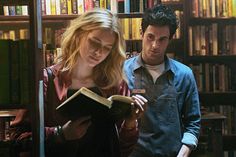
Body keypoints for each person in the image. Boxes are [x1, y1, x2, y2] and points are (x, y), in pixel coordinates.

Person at [10, 9, 147, 157]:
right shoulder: (46, 81)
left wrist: (130, 123)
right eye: (94, 42)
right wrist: (60, 133)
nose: (99, 52)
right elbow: (17, 138)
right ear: (78, 35)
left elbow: (123, 149)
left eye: (107, 48)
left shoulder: (115, 84)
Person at [123, 4, 201, 157]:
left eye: (162, 39)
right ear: (141, 33)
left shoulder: (184, 74)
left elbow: (193, 123)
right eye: (150, 37)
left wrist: (184, 153)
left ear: (170, 39)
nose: (155, 45)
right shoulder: (122, 71)